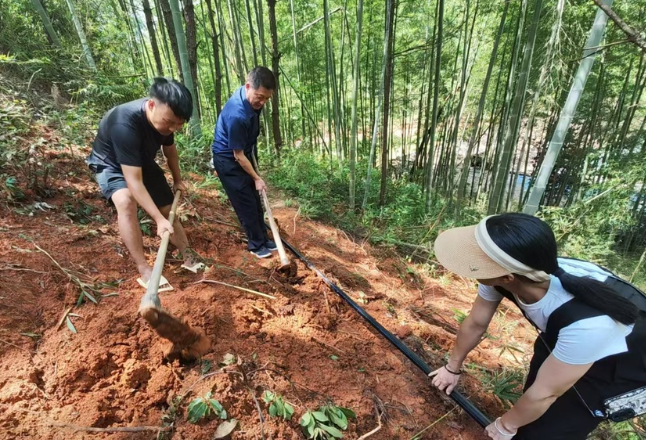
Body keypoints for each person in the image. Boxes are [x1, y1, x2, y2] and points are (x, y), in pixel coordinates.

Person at [430, 213, 646, 439]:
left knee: (549, 428)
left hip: (622, 365)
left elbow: (545, 394)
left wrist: (505, 426)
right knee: (533, 401)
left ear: (507, 277)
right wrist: (451, 368)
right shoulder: (517, 271)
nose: (469, 266)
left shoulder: (587, 325)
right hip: (566, 336)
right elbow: (476, 323)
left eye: (475, 261)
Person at [87, 77, 202, 290]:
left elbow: (170, 151)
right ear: (151, 105)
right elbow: (133, 181)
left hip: (141, 161)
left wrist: (177, 180)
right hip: (111, 163)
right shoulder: (124, 123)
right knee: (125, 201)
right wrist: (158, 220)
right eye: (170, 122)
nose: (174, 128)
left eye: (179, 124)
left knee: (169, 208)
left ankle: (188, 255)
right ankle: (144, 269)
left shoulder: (167, 123)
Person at [211, 66, 277, 259]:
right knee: (245, 202)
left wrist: (254, 175)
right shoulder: (237, 114)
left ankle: (263, 238)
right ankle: (256, 245)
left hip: (242, 154)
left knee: (255, 200)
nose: (263, 102)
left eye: (267, 98)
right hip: (229, 160)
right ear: (248, 86)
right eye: (260, 96)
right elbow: (238, 155)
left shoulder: (251, 99)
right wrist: (256, 177)